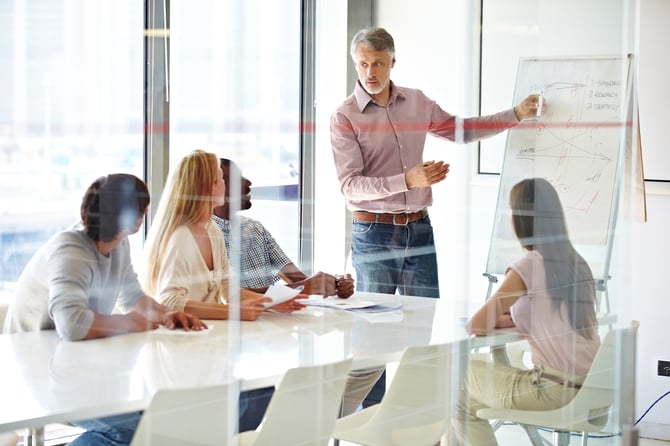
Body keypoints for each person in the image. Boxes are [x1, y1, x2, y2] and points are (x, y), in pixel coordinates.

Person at [330, 26, 542, 299]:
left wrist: (516, 114)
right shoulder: (344, 116)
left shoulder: (416, 101)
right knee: (374, 327)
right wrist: (408, 180)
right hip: (374, 233)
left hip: (419, 229)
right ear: (356, 64)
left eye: (378, 63)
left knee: (424, 323)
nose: (370, 72)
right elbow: (350, 185)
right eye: (364, 64)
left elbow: (461, 130)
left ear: (392, 62)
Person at [3, 173, 206, 446]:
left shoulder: (119, 244)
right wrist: (129, 323)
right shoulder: (70, 250)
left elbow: (133, 296)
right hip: (38, 373)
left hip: (80, 367)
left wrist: (164, 313)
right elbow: (72, 325)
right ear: (139, 216)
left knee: (152, 419)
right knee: (131, 431)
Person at [141, 149, 305, 432]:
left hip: (202, 344)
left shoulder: (210, 230)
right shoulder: (180, 236)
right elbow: (170, 301)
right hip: (177, 352)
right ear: (207, 187)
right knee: (253, 396)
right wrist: (234, 312)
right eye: (220, 179)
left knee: (261, 390)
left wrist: (271, 302)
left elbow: (230, 289)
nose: (225, 185)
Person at [451, 177, 600, 445]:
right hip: (591, 388)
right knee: (465, 385)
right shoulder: (578, 263)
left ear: (520, 219)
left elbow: (476, 325)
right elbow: (549, 314)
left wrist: (495, 318)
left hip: (553, 390)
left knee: (455, 379)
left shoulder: (528, 265)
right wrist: (509, 317)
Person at [212, 157, 355, 298]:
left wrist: (335, 283)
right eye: (238, 179)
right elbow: (227, 296)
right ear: (216, 187)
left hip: (276, 315)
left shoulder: (255, 228)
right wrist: (303, 288)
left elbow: (298, 279)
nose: (248, 182)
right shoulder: (205, 235)